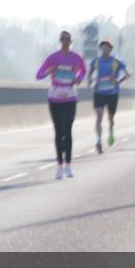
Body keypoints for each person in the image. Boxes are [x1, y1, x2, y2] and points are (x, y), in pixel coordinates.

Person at [35, 31, 87, 178]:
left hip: (70, 96)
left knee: (68, 130)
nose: (65, 42)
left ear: (71, 41)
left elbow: (84, 70)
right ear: (60, 41)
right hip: (55, 96)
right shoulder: (52, 58)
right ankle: (59, 165)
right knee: (58, 132)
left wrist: (78, 79)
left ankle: (68, 165)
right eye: (63, 39)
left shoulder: (76, 57)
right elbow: (38, 75)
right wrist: (50, 70)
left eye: (68, 39)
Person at [86, 40, 130, 154]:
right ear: (100, 49)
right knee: (99, 116)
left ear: (111, 49)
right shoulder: (96, 61)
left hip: (112, 93)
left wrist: (118, 81)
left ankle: (110, 130)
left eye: (107, 48)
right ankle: (99, 141)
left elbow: (128, 74)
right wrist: (89, 80)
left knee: (110, 117)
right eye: (103, 48)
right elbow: (90, 73)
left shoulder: (116, 62)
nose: (105, 50)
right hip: (99, 92)